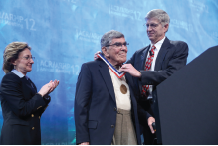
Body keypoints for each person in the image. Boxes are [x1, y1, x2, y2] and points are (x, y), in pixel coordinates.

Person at [119, 9, 189, 144]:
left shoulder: (178, 47)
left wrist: (140, 74)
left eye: (153, 25)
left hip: (166, 107)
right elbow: (121, 69)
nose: (149, 29)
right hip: (143, 111)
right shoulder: (139, 53)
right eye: (147, 25)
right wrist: (105, 59)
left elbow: (172, 74)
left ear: (165, 27)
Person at [75, 30, 141, 145]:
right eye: (118, 45)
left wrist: (148, 116)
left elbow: (135, 104)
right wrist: (83, 139)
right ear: (105, 50)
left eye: (125, 44)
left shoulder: (128, 72)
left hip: (129, 126)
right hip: (102, 131)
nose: (123, 48)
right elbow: (81, 105)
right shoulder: (91, 68)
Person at [0, 42, 59, 145]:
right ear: (13, 60)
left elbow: (34, 113)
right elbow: (22, 110)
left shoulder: (28, 81)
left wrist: (44, 95)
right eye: (27, 58)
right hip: (17, 138)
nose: (32, 61)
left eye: (32, 57)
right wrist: (40, 94)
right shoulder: (9, 79)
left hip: (31, 137)